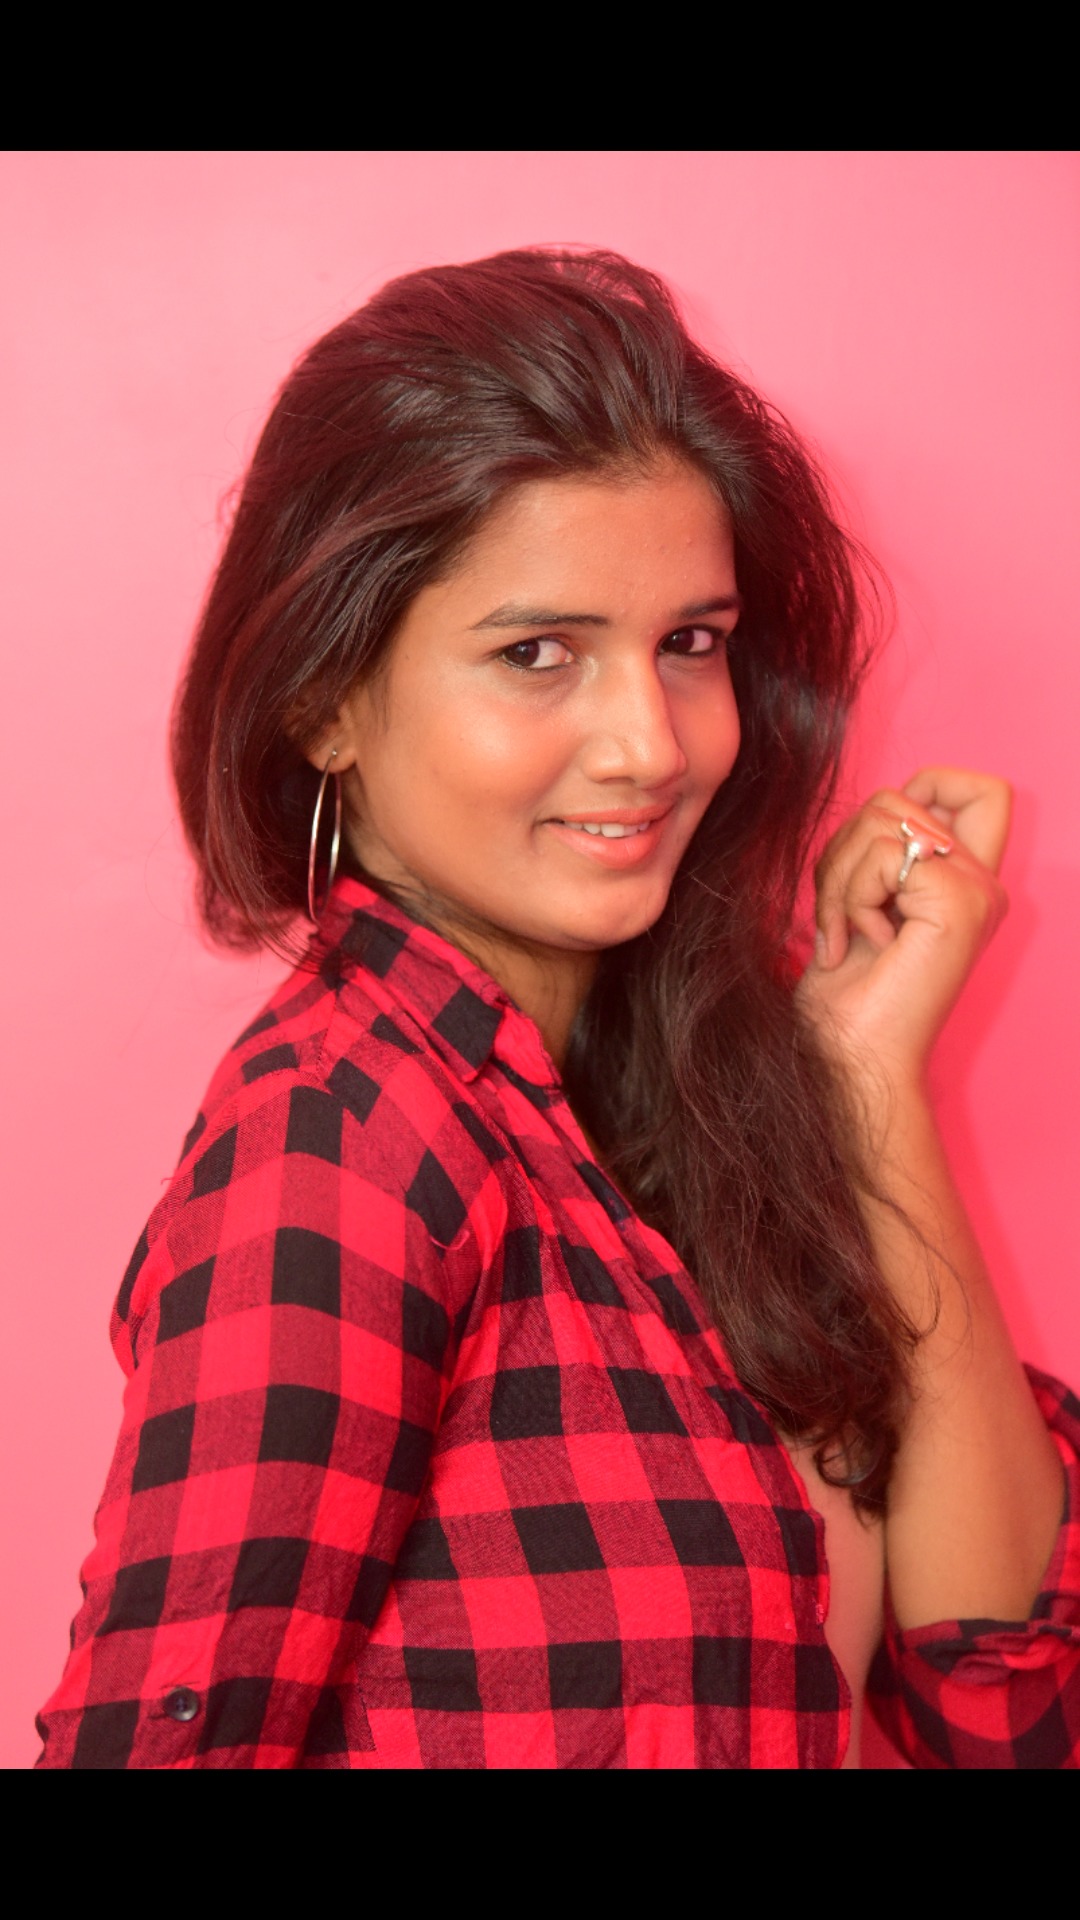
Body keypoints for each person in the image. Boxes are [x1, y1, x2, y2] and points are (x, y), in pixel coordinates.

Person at [35, 248, 1080, 1770]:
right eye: (538, 654)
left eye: (689, 645)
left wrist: (866, 1085)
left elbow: (1007, 1715)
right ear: (325, 699)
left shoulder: (703, 1105)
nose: (649, 743)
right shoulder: (342, 1143)